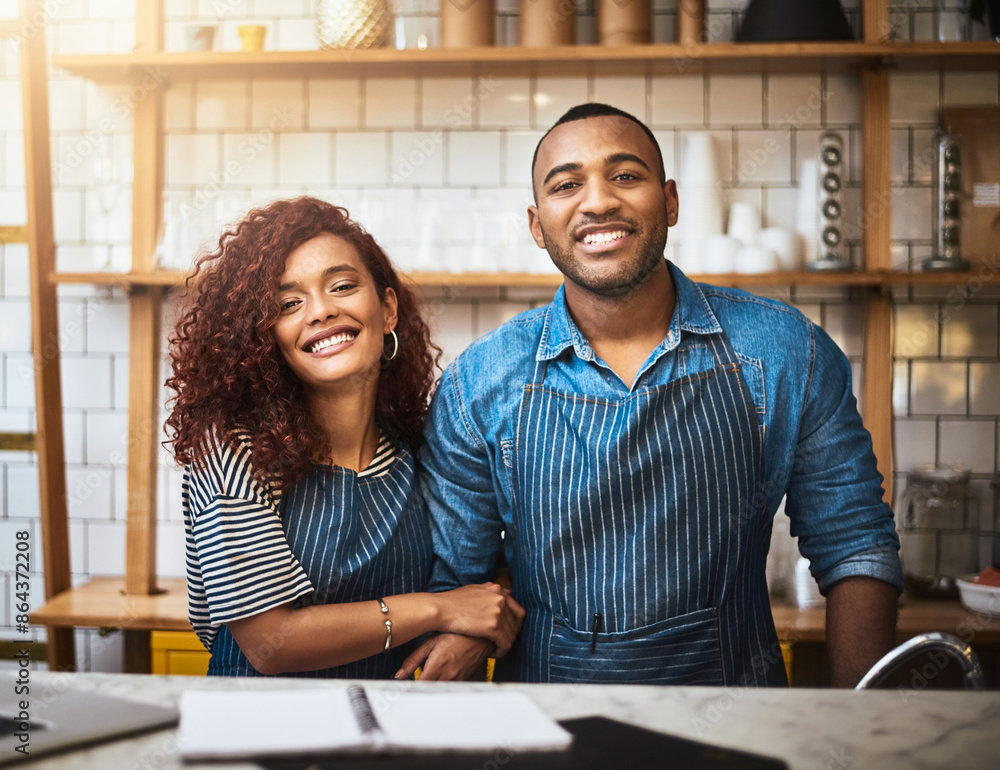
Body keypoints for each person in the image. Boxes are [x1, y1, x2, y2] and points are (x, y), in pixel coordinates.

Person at [405, 104, 903, 687]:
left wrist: (861, 722)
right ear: (538, 226)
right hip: (543, 731)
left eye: (625, 176)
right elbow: (459, 591)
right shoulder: (480, 381)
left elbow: (857, 547)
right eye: (567, 185)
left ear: (670, 201)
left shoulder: (787, 351)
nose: (598, 202)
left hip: (735, 728)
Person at [165, 196, 524, 678]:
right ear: (263, 335)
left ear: (388, 308)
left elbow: (491, 563)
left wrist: (471, 625)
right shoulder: (235, 451)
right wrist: (441, 611)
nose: (321, 311)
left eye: (342, 286)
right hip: (255, 736)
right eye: (289, 303)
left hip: (385, 733)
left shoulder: (417, 445)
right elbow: (273, 643)